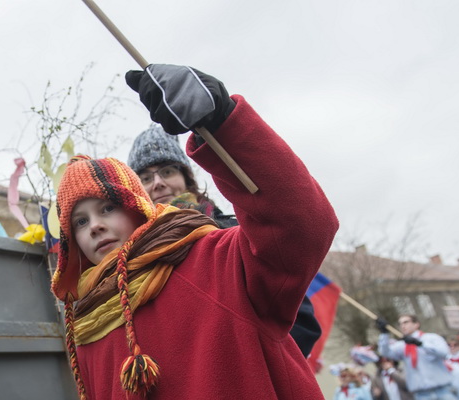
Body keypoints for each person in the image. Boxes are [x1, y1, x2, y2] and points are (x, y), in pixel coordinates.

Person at [0, 64, 415, 400]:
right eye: (79, 221)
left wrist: (223, 122)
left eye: (107, 208)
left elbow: (301, 224)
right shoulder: (90, 329)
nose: (93, 225)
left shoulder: (215, 259)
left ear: (139, 209)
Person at [127, 124, 323, 358]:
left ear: (187, 177)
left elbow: (300, 321)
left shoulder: (232, 233)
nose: (157, 182)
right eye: (146, 178)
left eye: (167, 171)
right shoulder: (130, 261)